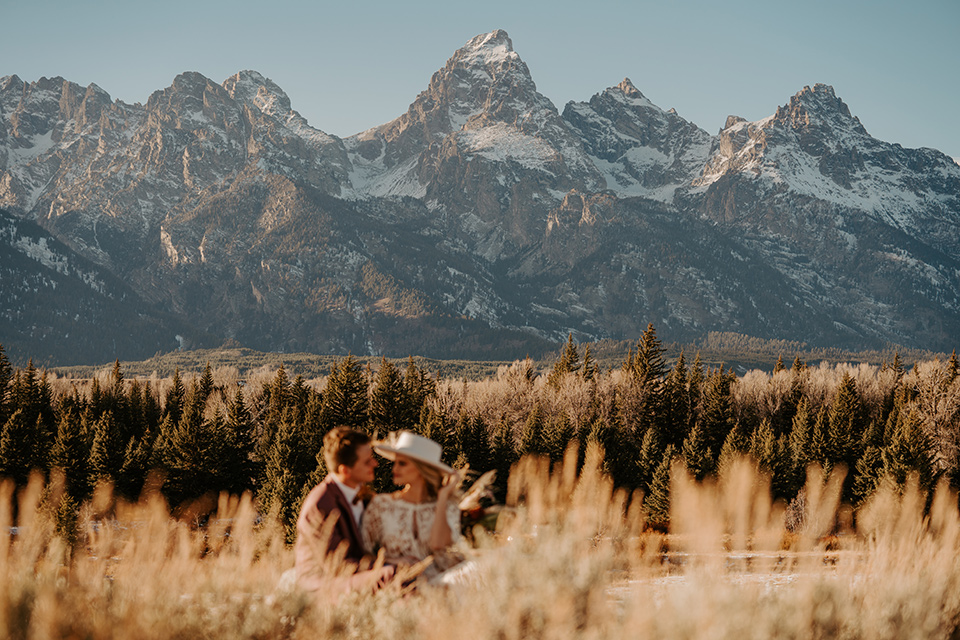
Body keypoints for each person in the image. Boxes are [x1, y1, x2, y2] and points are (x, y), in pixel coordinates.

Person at [294, 427, 393, 594]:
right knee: (392, 575)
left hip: (356, 575)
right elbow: (337, 564)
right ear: (345, 470)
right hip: (322, 586)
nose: (375, 464)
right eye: (367, 461)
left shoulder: (364, 496)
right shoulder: (320, 505)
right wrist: (387, 566)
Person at [361, 431, 463, 582]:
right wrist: (392, 563)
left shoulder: (448, 506)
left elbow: (438, 544)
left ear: (422, 469)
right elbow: (362, 552)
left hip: (442, 584)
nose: (394, 469)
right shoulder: (382, 505)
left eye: (402, 463)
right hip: (397, 585)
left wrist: (442, 498)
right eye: (395, 463)